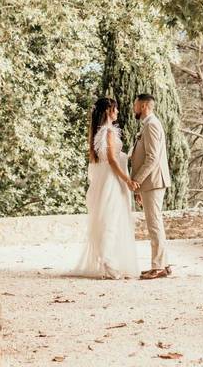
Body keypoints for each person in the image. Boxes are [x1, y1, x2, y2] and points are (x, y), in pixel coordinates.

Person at [72, 97, 139, 279]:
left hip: (105, 180)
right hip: (112, 181)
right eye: (115, 109)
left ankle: (108, 261)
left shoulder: (99, 132)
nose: (117, 112)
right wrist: (127, 180)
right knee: (111, 221)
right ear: (109, 110)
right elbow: (111, 160)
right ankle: (108, 263)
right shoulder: (108, 132)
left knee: (108, 220)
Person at [128, 93, 172, 279]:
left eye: (135, 105)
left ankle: (158, 267)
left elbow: (152, 158)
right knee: (155, 223)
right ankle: (164, 264)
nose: (134, 108)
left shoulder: (152, 125)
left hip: (153, 181)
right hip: (149, 183)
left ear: (144, 106)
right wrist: (139, 188)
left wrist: (137, 179)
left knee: (154, 224)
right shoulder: (148, 124)